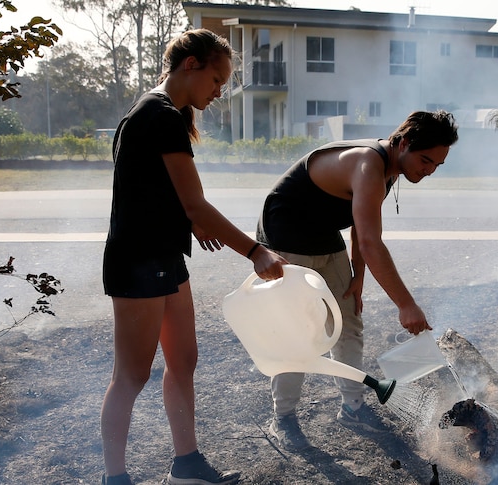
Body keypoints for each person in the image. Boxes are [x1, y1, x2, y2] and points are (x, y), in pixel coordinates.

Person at [100, 29, 286, 485]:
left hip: (164, 258)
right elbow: (194, 202)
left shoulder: (167, 115)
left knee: (183, 361)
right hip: (137, 262)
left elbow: (151, 190)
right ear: (191, 65)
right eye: (217, 79)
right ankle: (115, 478)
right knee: (132, 376)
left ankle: (187, 466)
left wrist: (189, 223)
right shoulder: (158, 114)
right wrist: (255, 251)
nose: (220, 91)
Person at [255, 110, 459, 451]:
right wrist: (406, 304)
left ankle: (353, 407)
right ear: (404, 143)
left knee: (349, 317)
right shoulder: (369, 165)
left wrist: (358, 275)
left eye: (437, 165)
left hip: (322, 234)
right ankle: (284, 417)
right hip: (285, 237)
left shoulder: (391, 168)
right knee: (298, 333)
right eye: (426, 160)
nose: (429, 170)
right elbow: (371, 242)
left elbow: (362, 229)